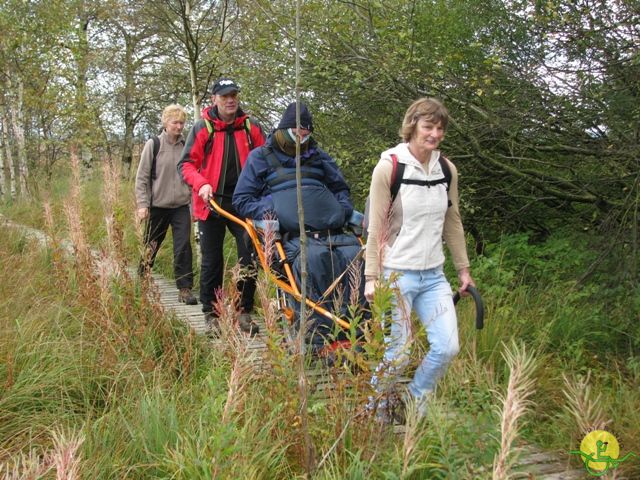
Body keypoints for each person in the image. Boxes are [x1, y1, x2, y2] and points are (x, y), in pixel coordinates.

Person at [363, 97, 475, 420]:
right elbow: (377, 227)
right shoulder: (389, 168)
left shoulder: (446, 170)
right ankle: (375, 410)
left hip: (434, 276)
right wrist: (372, 277)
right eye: (428, 127)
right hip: (397, 274)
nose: (435, 134)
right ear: (412, 126)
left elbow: (452, 221)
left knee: (447, 346)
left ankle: (414, 397)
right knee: (397, 354)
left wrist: (463, 270)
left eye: (440, 128)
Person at [233, 101, 367, 353]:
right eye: (297, 134)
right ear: (285, 129)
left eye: (306, 135)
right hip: (292, 238)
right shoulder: (260, 157)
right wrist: (270, 211)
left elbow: (340, 188)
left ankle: (359, 334)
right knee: (312, 262)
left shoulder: (318, 157)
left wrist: (343, 210)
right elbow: (242, 199)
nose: (302, 140)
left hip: (335, 233)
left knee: (357, 260)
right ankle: (319, 341)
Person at [178, 78, 265, 336]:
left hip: (244, 203)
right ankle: (212, 314)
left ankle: (244, 312)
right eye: (225, 95)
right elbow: (186, 166)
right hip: (211, 202)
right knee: (212, 261)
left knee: (249, 258)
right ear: (214, 99)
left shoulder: (251, 127)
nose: (231, 100)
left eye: (234, 95)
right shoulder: (203, 128)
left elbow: (267, 162)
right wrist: (201, 184)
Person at [136, 104, 196, 305]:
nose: (179, 126)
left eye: (182, 123)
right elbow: (142, 177)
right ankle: (142, 279)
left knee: (183, 247)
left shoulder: (187, 146)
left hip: (181, 206)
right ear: (165, 123)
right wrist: (142, 204)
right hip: (158, 205)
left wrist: (194, 206)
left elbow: (193, 177)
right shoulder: (153, 145)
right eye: (175, 122)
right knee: (151, 244)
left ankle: (185, 288)